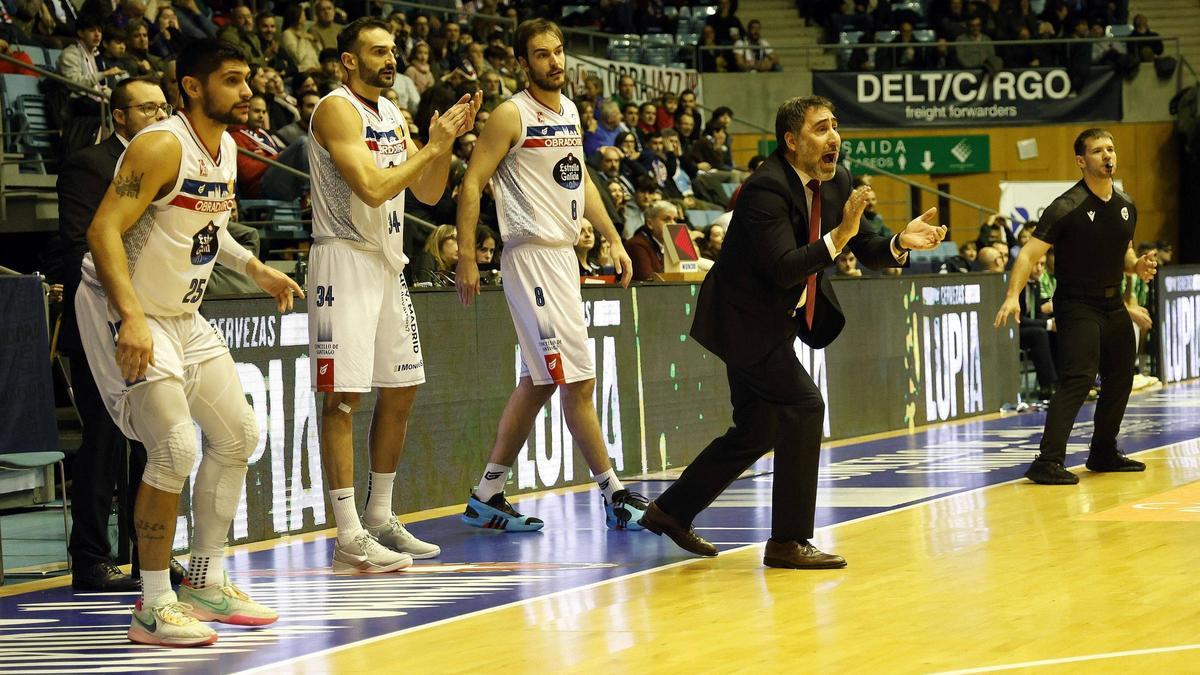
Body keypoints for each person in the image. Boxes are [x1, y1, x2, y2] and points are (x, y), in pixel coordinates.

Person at [641, 95, 947, 566]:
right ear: (791, 141)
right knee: (805, 406)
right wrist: (840, 236)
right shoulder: (765, 188)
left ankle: (670, 511)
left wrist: (898, 242)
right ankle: (787, 541)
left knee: (757, 426)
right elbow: (785, 268)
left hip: (773, 320)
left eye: (835, 126)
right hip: (742, 320)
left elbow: (861, 242)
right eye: (821, 129)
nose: (834, 137)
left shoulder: (837, 178)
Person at [75, 39, 302, 646]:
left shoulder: (223, 146)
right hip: (124, 308)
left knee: (239, 435)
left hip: (183, 316)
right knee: (174, 448)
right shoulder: (160, 145)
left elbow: (211, 226)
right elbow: (103, 230)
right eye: (233, 80)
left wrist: (255, 268)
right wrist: (131, 318)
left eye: (248, 79)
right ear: (193, 87)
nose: (249, 92)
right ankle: (152, 605)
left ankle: (205, 580)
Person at [454, 19, 648, 532]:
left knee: (540, 381)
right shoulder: (509, 114)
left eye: (558, 52)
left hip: (563, 256)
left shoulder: (567, 111)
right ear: (523, 63)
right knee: (577, 382)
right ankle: (615, 495)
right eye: (541, 55)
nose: (554, 62)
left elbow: (578, 179)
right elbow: (472, 182)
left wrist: (611, 235)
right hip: (531, 255)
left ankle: (486, 494)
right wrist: (468, 256)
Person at [307, 18, 480, 571]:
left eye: (393, 51)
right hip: (342, 258)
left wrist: (443, 144)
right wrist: (427, 145)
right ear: (348, 61)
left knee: (401, 389)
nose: (390, 59)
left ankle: (380, 515)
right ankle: (348, 532)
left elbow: (427, 193)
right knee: (342, 399)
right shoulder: (337, 107)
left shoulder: (390, 115)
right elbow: (374, 186)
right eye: (378, 51)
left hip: (386, 263)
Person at [57, 77, 176, 593]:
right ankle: (89, 557)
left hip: (152, 316)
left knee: (154, 440)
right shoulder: (91, 164)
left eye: (162, 106)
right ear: (119, 116)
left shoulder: (170, 162)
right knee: (102, 440)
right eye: (146, 108)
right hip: (97, 316)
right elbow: (81, 243)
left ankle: (144, 556)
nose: (157, 114)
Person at [995, 128, 1158, 485]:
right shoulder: (1066, 207)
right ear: (1081, 161)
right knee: (1079, 378)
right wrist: (1012, 295)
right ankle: (1047, 460)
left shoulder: (1126, 205)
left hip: (1113, 303)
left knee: (1121, 377)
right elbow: (1028, 255)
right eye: (1098, 150)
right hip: (1076, 304)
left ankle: (1103, 452)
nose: (1107, 155)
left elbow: (1124, 253)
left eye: (1111, 149)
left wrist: (1137, 266)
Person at [1020, 254, 1058, 399]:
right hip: (1014, 331)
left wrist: (1054, 322)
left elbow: (1036, 315)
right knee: (1040, 333)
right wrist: (1047, 324)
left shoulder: (1035, 284)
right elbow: (1019, 319)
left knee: (1059, 329)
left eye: (1042, 264)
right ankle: (1048, 386)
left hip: (1030, 327)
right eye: (1036, 264)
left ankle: (1064, 380)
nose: (1039, 269)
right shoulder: (1018, 284)